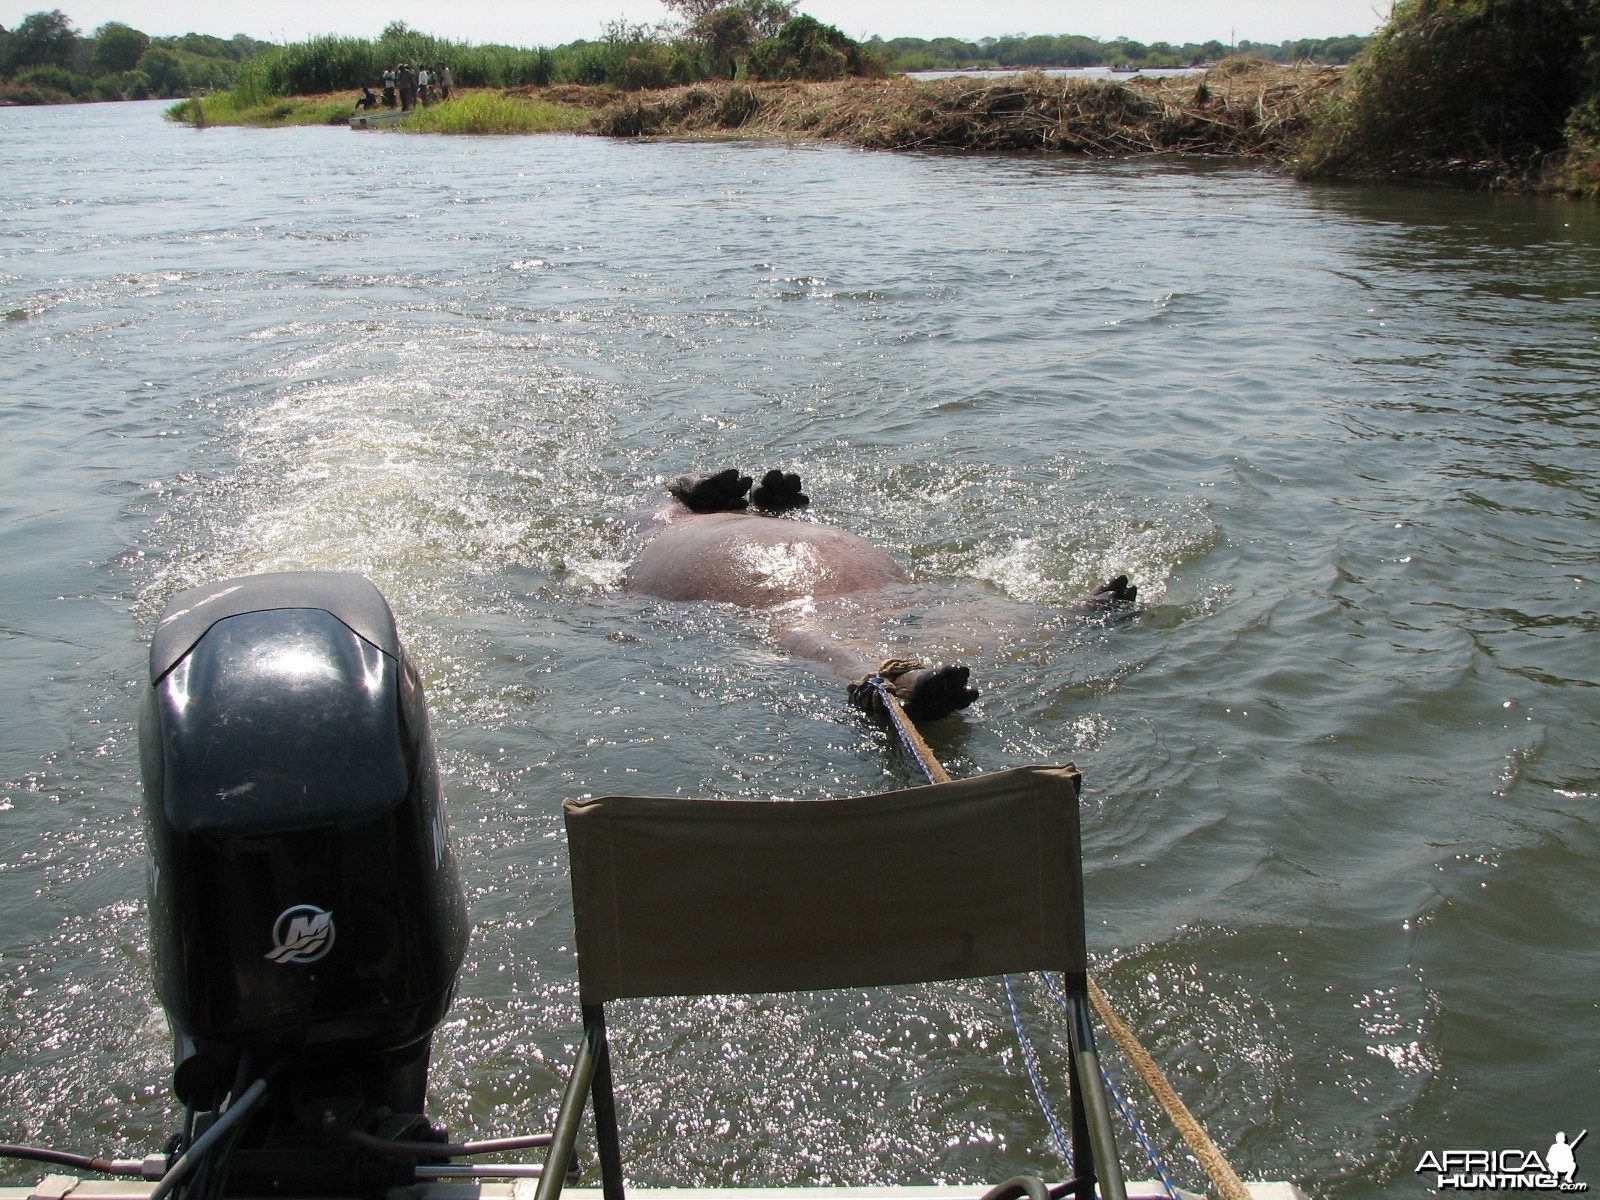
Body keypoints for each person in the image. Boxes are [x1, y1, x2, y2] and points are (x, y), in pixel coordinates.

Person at [622, 469, 1137, 722]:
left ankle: (1057, 618)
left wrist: (764, 510)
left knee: (933, 606)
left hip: (866, 581)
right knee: (801, 626)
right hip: (787, 594)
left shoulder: (700, 520)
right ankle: (884, 682)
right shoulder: (657, 521)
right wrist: (680, 493)